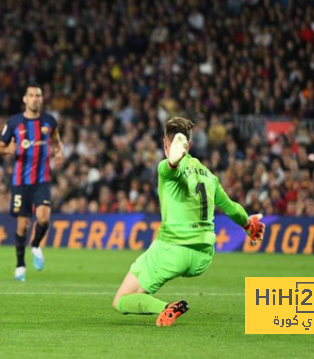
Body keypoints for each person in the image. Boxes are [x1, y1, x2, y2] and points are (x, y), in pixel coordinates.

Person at [112, 117, 265, 326]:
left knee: (121, 300)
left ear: (165, 144)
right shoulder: (209, 176)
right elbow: (231, 207)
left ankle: (166, 308)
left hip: (172, 250)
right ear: (189, 145)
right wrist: (249, 225)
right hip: (203, 256)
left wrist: (173, 161)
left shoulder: (165, 169)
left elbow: (172, 170)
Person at [0, 83, 64, 281]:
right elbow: (0, 148)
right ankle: (20, 265)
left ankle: (35, 245)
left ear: (41, 99)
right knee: (22, 225)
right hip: (20, 181)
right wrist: (9, 149)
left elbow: (57, 142)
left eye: (38, 96)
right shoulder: (14, 122)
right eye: (32, 95)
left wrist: (59, 153)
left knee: (43, 219)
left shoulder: (49, 121)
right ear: (25, 99)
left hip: (42, 180)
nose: (35, 99)